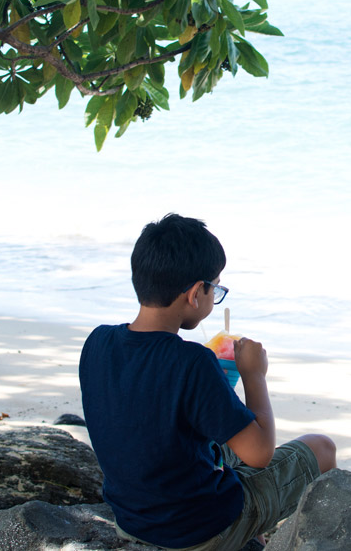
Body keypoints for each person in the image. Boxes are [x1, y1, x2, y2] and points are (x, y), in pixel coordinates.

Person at [79, 214, 336, 551]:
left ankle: (251, 538)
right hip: (197, 531)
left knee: (227, 447)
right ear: (196, 292)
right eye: (215, 288)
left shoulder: (98, 342)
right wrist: (253, 375)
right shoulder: (193, 362)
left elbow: (152, 409)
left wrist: (214, 380)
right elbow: (260, 453)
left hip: (132, 521)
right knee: (322, 447)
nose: (215, 296)